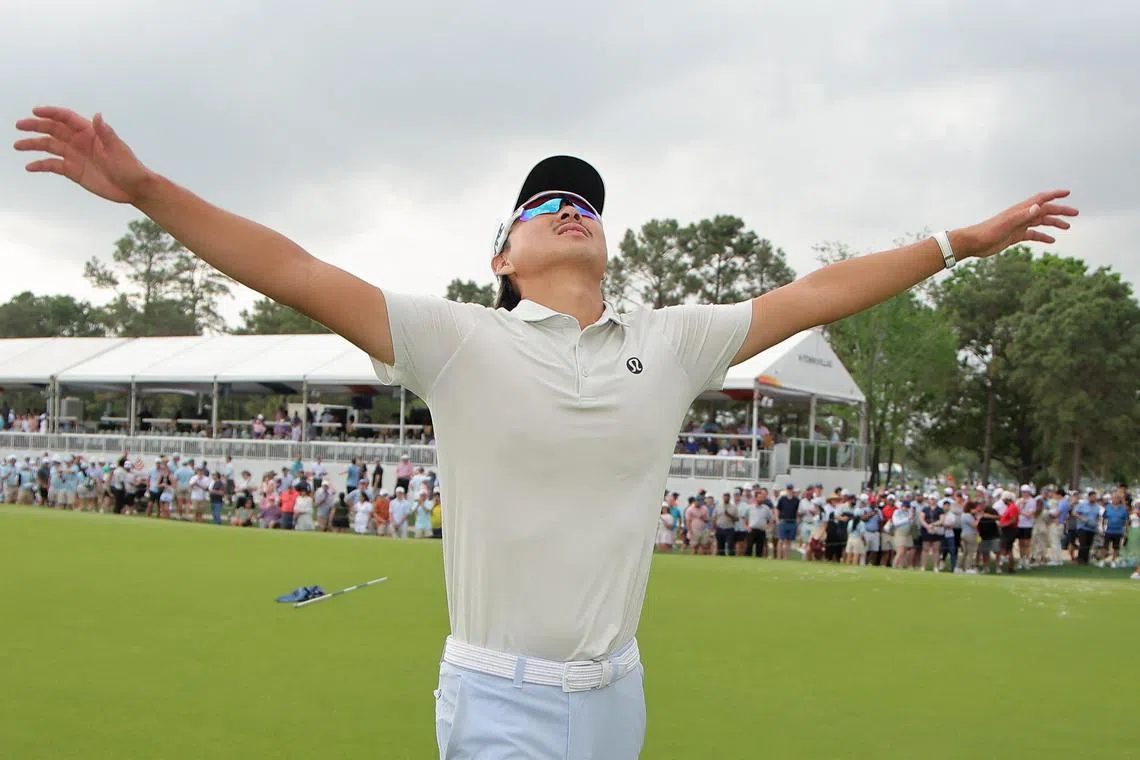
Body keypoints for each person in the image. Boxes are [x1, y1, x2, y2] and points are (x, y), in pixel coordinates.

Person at [12, 107, 1077, 760]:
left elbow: (817, 294)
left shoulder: (674, 340)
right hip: (496, 697)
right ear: (503, 257)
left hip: (618, 693)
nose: (573, 207)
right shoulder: (455, 340)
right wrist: (147, 190)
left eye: (588, 201)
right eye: (546, 203)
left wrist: (960, 242)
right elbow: (290, 268)